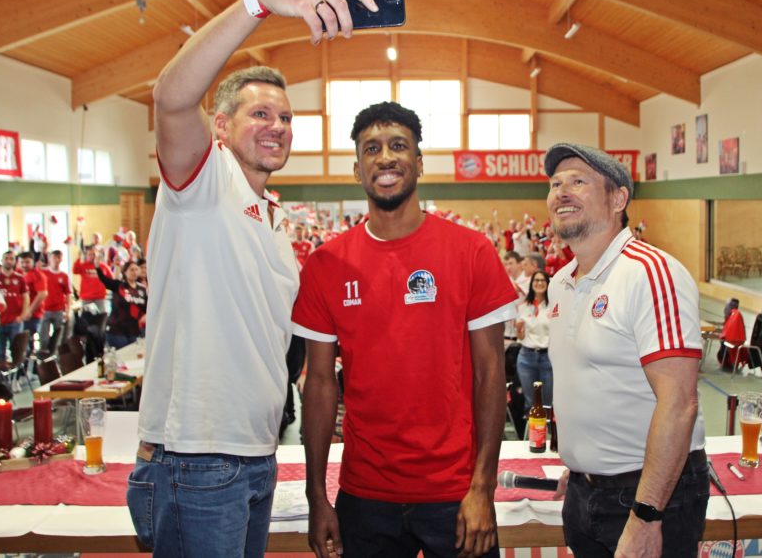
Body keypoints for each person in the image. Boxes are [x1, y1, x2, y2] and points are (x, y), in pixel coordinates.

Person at [127, 0, 378, 557]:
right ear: (219, 127)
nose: (279, 128)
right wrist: (259, 2)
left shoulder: (270, 216)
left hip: (254, 453)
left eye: (287, 118)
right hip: (195, 454)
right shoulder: (201, 179)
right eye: (260, 115)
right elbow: (171, 95)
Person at [295, 102, 517, 558]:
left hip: (454, 493)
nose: (386, 157)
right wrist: (316, 497)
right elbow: (318, 383)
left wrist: (483, 487)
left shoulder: (471, 252)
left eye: (399, 145)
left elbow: (490, 374)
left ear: (419, 162)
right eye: (371, 148)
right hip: (364, 494)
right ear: (357, 169)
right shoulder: (325, 265)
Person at [543, 143, 708, 558]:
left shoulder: (650, 274)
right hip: (585, 490)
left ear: (618, 199)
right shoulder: (561, 281)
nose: (562, 191)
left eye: (578, 181)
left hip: (647, 496)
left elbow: (680, 403)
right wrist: (583, 464)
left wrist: (647, 515)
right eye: (555, 183)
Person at [515, 270, 553, 414]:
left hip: (547, 357)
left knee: (548, 402)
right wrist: (519, 329)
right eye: (536, 280)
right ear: (531, 284)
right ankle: (532, 435)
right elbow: (521, 336)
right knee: (531, 403)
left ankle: (550, 434)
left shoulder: (553, 306)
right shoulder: (524, 307)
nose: (539, 283)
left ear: (548, 284)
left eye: (543, 280)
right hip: (526, 357)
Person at [97, 261, 147, 350]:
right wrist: (97, 267)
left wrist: (145, 315)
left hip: (134, 331)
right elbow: (104, 279)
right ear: (125, 272)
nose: (134, 272)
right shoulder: (119, 286)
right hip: (117, 331)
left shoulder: (142, 289)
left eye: (136, 269)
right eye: (131, 270)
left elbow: (147, 307)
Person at [0, 250, 29, 364]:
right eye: (6, 258)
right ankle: (0, 378)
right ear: (2, 260)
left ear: (15, 261)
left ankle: (18, 378)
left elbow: (26, 297)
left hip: (15, 321)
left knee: (17, 351)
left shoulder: (20, 278)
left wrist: (23, 315)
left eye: (11, 259)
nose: (8, 261)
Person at [39, 249, 72, 356]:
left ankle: (58, 356)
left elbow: (68, 294)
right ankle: (44, 357)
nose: (56, 260)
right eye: (54, 257)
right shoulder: (42, 272)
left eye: (59, 257)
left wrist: (68, 311)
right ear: (49, 259)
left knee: (59, 336)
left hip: (59, 309)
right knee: (43, 337)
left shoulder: (64, 276)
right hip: (45, 310)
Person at [17, 251, 47, 351]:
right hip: (21, 314)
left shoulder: (37, 275)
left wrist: (29, 311)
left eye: (27, 262)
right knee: (22, 344)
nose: (24, 265)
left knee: (26, 344)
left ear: (33, 262)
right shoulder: (20, 274)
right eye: (22, 262)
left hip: (33, 316)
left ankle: (30, 365)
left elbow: (42, 294)